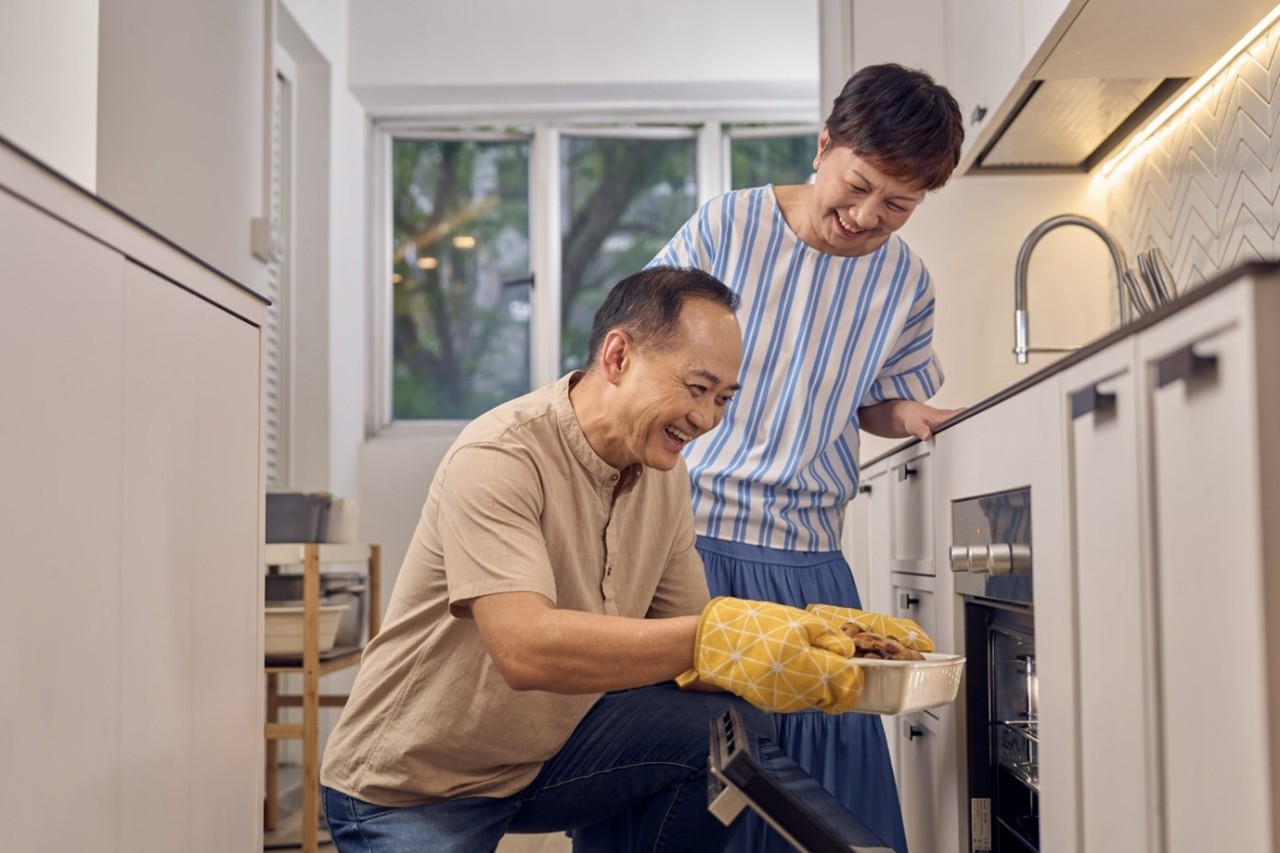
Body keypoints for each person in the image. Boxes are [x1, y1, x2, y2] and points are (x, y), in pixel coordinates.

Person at [319, 265, 870, 853]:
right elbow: (523, 648)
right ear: (617, 357)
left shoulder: (666, 478)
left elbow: (694, 664)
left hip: (542, 762)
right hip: (415, 785)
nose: (708, 418)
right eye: (696, 387)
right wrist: (727, 636)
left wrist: (816, 645)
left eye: (723, 399)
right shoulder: (499, 454)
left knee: (723, 728)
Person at [647, 63, 967, 853]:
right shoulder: (728, 226)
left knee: (825, 796)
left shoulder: (905, 282)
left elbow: (877, 399)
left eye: (897, 205)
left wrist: (910, 414)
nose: (865, 215)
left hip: (808, 564)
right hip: (692, 549)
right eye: (856, 186)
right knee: (691, 779)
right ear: (824, 145)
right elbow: (648, 348)